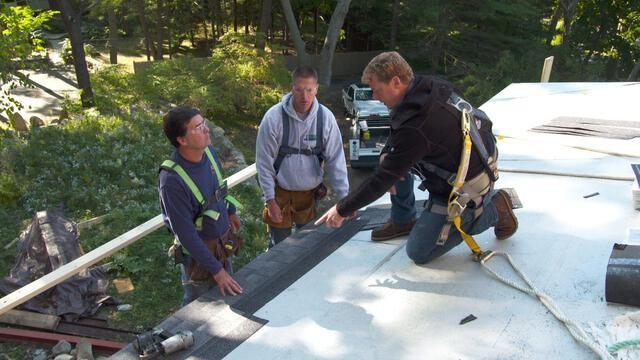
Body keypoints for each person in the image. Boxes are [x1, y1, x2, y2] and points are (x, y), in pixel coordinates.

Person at [316, 52, 518, 264]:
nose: (375, 97)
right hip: (469, 165)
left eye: (377, 90)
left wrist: (342, 209)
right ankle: (404, 220)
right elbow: (398, 128)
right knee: (391, 160)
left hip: (467, 189)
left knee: (419, 251)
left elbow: (381, 180)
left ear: (395, 82)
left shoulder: (419, 125)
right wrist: (386, 152)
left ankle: (496, 207)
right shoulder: (428, 87)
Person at [159, 106, 243, 306]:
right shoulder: (172, 181)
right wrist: (216, 270)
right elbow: (186, 235)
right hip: (198, 257)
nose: (206, 129)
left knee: (226, 299)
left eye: (204, 123)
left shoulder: (209, 152)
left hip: (222, 242)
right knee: (197, 306)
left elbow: (220, 187)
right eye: (198, 127)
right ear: (182, 140)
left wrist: (230, 212)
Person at [256, 66, 349, 248]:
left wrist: (345, 200)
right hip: (279, 194)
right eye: (299, 90)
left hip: (309, 196)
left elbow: (336, 160)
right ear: (292, 88)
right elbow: (264, 162)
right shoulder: (273, 118)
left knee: (307, 246)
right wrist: (270, 200)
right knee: (279, 248)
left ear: (316, 89)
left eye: (309, 90)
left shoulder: (325, 119)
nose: (304, 96)